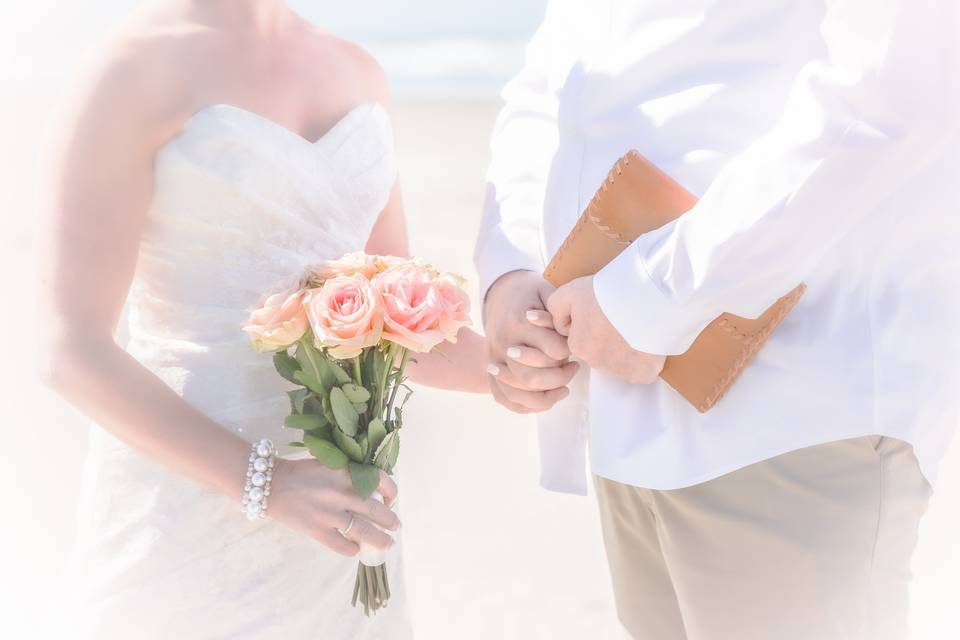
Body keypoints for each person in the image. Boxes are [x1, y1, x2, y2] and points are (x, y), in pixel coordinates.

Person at [477, 1, 959, 638]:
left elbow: (891, 87)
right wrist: (513, 270)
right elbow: (556, 75)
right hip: (620, 392)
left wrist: (653, 294)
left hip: (787, 405)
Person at [35, 1, 487, 637]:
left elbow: (395, 316)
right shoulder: (130, 70)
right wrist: (267, 483)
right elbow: (69, 350)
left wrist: (510, 369)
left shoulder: (357, 70)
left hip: (341, 510)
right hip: (188, 504)